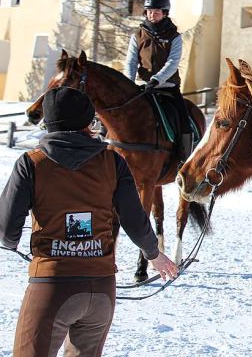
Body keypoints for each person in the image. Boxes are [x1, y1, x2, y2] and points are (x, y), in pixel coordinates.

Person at [0, 87, 178, 357]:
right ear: (88, 122)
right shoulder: (112, 162)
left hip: (52, 287)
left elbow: (6, 231)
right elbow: (135, 219)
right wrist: (153, 254)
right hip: (102, 290)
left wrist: (13, 242)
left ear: (49, 122)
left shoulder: (31, 163)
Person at [124, 0, 192, 159]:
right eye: (148, 11)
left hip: (167, 86)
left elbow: (173, 62)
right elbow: (131, 62)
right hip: (143, 87)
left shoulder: (174, 37)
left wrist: (156, 80)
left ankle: (183, 156)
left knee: (183, 117)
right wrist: (128, 84)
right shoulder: (137, 36)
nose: (151, 15)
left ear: (164, 13)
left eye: (156, 11)